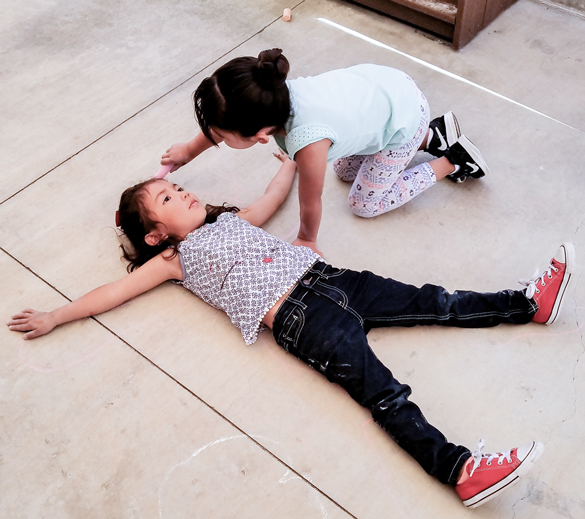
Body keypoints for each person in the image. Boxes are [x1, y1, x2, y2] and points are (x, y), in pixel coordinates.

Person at [8, 153, 574, 509]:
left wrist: (286, 157)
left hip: (332, 279)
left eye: (177, 189)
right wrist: (58, 314)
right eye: (167, 200)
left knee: (432, 301)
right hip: (303, 320)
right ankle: (459, 470)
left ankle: (528, 303)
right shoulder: (174, 260)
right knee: (385, 395)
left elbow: (273, 198)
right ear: (156, 236)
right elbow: (114, 292)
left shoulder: (230, 219)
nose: (181, 193)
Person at [161, 48, 489, 255]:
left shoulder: (308, 146)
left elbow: (310, 201)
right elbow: (225, 119)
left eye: (218, 136)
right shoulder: (267, 92)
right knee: (345, 172)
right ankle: (432, 136)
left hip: (401, 118)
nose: (212, 137)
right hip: (387, 89)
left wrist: (306, 238)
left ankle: (453, 159)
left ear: (261, 136)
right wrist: (189, 150)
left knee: (363, 203)